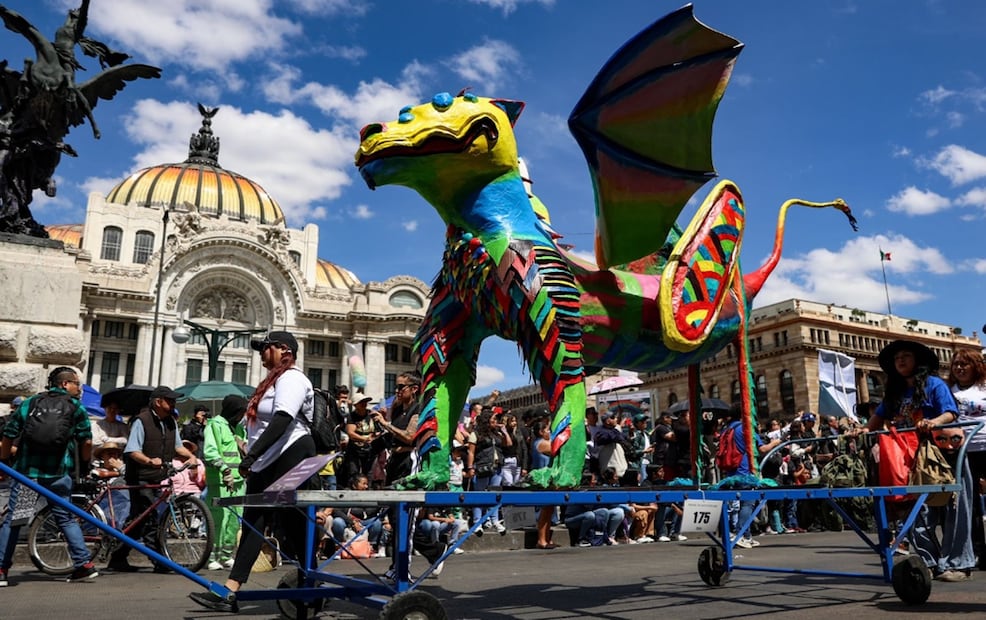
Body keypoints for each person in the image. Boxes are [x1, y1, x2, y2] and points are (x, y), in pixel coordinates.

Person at [189, 330, 317, 613]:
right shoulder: (271, 382)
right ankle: (230, 592)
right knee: (252, 523)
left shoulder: (293, 378)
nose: (261, 352)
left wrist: (252, 457)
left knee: (293, 526)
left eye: (266, 348)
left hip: (292, 453)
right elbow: (261, 426)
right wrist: (251, 452)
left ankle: (312, 585)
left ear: (284, 350)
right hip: (266, 459)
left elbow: (283, 418)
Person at [866, 339, 958, 576]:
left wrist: (933, 422)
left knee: (945, 509)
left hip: (932, 455)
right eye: (897, 358)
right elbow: (875, 421)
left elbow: (950, 412)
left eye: (906, 356)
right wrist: (862, 430)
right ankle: (930, 563)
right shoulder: (894, 392)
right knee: (916, 511)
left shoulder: (934, 384)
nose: (901, 361)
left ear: (917, 360)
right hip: (903, 458)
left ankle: (951, 562)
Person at [0, 366, 98, 585]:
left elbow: (9, 434)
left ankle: (1, 569)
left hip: (28, 475)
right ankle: (83, 564)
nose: (79, 389)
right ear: (64, 384)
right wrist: (84, 464)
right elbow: (87, 441)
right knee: (65, 517)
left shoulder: (30, 403)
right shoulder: (75, 408)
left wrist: (5, 462)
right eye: (76, 383)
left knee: (15, 520)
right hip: (57, 475)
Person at [108, 385, 199, 573]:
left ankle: (117, 557)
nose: (174, 403)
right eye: (170, 400)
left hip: (158, 477)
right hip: (140, 477)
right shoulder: (142, 421)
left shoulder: (171, 422)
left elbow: (178, 446)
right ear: (158, 402)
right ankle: (159, 561)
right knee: (150, 519)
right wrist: (149, 460)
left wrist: (190, 456)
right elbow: (132, 450)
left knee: (138, 519)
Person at [718, 403, 782, 549]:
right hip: (745, 472)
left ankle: (746, 536)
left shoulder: (726, 429)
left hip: (730, 473)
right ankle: (740, 533)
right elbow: (762, 449)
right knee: (748, 503)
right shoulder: (745, 429)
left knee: (735, 505)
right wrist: (777, 442)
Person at [945, 349, 986, 572]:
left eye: (965, 364)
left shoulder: (984, 387)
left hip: (985, 444)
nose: (959, 368)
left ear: (975, 366)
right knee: (968, 504)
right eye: (956, 364)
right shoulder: (949, 391)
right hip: (963, 451)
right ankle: (978, 550)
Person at [202, 394, 247, 571]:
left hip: (238, 481)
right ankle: (212, 556)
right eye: (241, 412)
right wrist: (224, 469)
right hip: (220, 481)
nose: (242, 416)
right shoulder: (215, 425)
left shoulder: (237, 428)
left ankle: (226, 555)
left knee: (235, 519)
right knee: (219, 519)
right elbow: (210, 452)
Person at [373, 371, 421, 486]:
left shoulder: (418, 409)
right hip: (394, 460)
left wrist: (385, 423)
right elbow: (394, 432)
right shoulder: (398, 409)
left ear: (414, 389)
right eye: (396, 387)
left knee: (405, 498)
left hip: (408, 461)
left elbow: (409, 437)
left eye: (401, 387)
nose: (396, 391)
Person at [464, 409, 509, 533]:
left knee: (494, 494)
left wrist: (505, 432)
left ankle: (495, 520)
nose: (496, 421)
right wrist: (470, 467)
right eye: (493, 419)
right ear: (486, 420)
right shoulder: (476, 434)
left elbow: (508, 444)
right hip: (482, 466)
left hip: (497, 466)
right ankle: (477, 521)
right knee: (479, 494)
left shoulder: (497, 434)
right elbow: (471, 452)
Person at [343, 393, 384, 489]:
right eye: (361, 402)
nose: (364, 404)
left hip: (370, 451)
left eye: (365, 402)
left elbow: (379, 430)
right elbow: (351, 433)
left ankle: (367, 495)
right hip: (354, 451)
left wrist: (374, 437)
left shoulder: (372, 415)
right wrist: (364, 439)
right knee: (353, 474)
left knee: (369, 474)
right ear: (355, 405)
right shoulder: (352, 416)